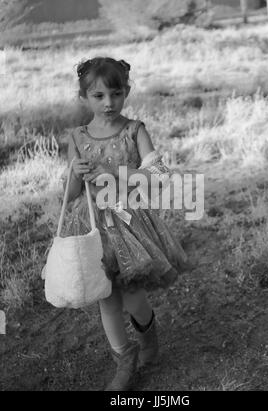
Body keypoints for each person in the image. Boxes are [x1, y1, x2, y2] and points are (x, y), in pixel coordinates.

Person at [62, 56, 188, 391]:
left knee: (132, 295)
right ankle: (124, 359)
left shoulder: (134, 131)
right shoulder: (77, 137)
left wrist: (114, 172)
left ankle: (148, 339)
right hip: (91, 224)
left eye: (116, 94)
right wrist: (75, 175)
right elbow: (72, 193)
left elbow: (158, 177)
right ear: (83, 98)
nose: (109, 103)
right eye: (99, 96)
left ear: (126, 92)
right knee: (106, 296)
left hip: (130, 221)